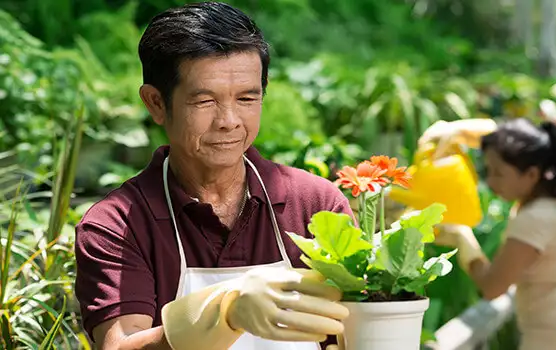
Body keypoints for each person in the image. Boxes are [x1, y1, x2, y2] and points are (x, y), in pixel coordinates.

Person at [74, 2, 350, 349]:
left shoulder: (315, 204)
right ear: (156, 103)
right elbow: (119, 344)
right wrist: (225, 312)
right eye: (205, 102)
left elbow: (360, 327)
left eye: (247, 98)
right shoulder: (117, 225)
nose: (229, 120)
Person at [420, 117, 556, 350]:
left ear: (531, 174)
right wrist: (455, 130)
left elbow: (492, 286)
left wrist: (463, 239)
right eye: (488, 170)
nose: (490, 181)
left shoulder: (535, 219)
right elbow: (498, 138)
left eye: (498, 173)